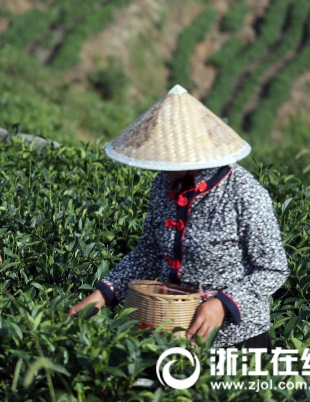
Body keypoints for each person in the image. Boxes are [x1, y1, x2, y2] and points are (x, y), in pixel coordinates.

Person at [68, 85, 289, 349]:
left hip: (237, 340)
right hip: (173, 330)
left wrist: (222, 303)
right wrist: (102, 295)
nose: (160, 165)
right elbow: (149, 253)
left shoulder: (244, 193)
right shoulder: (164, 184)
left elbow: (273, 269)